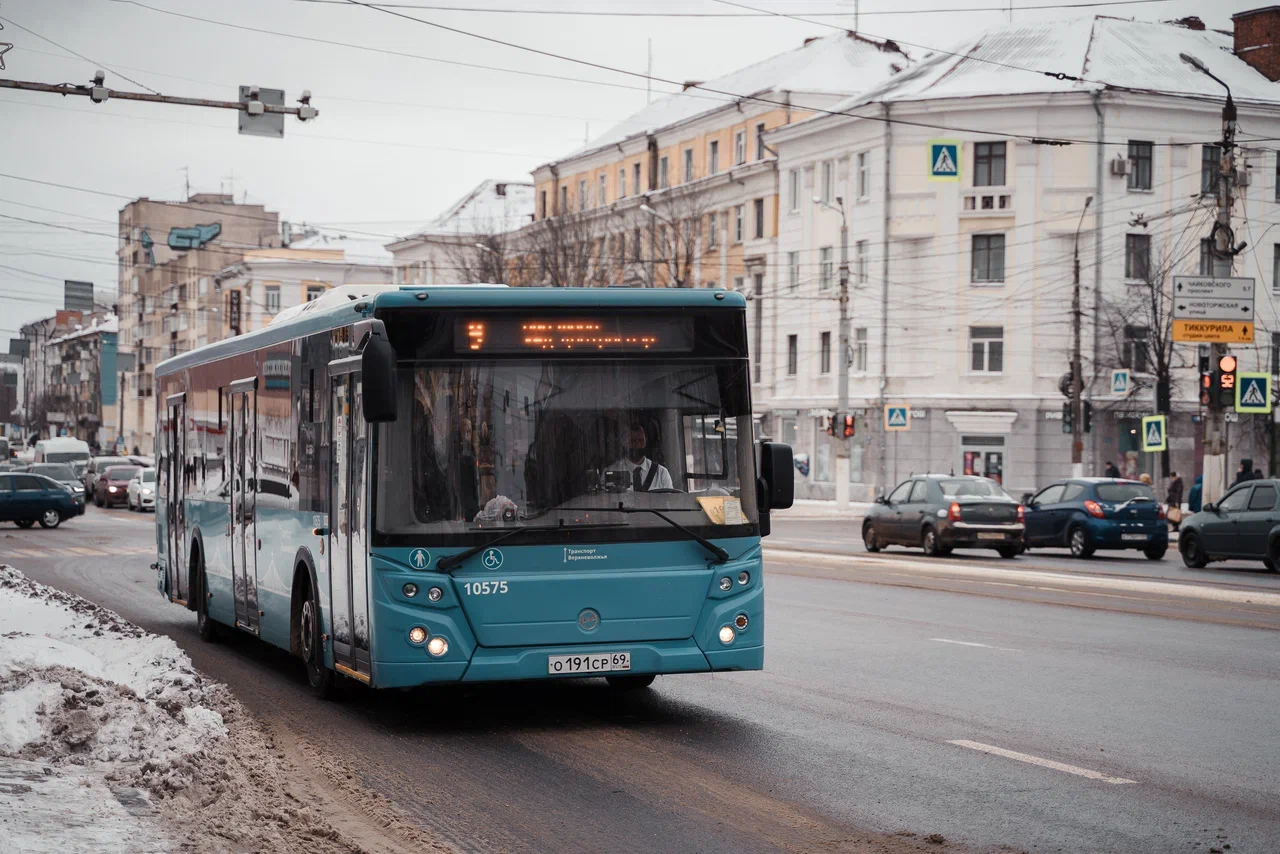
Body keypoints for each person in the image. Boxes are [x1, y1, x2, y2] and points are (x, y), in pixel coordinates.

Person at [608, 424, 673, 492]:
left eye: (640, 440)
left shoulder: (661, 473)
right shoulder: (610, 472)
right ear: (624, 443)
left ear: (646, 441)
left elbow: (669, 501)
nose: (637, 444)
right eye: (632, 441)